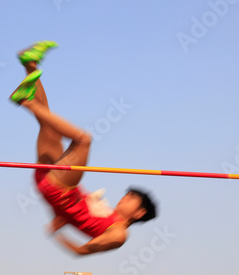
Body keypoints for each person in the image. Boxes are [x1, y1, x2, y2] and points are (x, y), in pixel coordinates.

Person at [10, 41, 157, 255]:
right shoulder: (108, 213)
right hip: (52, 183)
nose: (124, 198)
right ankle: (30, 64)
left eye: (132, 199)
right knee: (48, 123)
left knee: (83, 140)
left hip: (60, 189)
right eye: (128, 195)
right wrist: (63, 219)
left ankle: (27, 102)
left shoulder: (118, 233)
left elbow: (82, 251)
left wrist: (58, 234)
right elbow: (80, 216)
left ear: (140, 212)